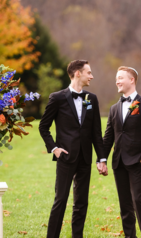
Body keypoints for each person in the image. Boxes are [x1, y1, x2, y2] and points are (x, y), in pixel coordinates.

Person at [39, 60, 106, 238]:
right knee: (60, 201)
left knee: (81, 203)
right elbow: (43, 127)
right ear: (77, 73)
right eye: (88, 73)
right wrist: (54, 148)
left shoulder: (91, 99)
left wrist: (102, 159)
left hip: (85, 158)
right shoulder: (57, 97)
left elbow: (96, 132)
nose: (91, 76)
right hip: (65, 157)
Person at [100, 66, 141, 238]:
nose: (117, 81)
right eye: (116, 78)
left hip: (137, 161)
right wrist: (102, 159)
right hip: (118, 162)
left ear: (132, 80)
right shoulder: (113, 109)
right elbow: (108, 137)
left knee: (138, 201)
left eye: (120, 77)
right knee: (125, 205)